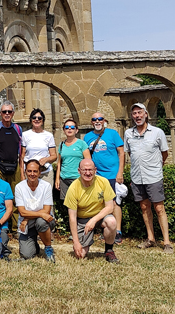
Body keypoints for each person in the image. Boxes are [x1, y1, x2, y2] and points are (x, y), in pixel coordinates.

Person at [124, 103, 173, 253]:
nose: (137, 116)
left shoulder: (157, 132)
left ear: (146, 114)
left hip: (153, 176)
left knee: (159, 208)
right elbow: (130, 153)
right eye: (134, 113)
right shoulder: (128, 134)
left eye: (140, 113)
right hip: (138, 177)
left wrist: (156, 165)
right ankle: (151, 238)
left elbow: (164, 153)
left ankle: (166, 242)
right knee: (144, 208)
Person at [64, 159, 120, 262]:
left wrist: (93, 220)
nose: (88, 173)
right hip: (83, 220)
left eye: (90, 170)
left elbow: (110, 207)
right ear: (79, 171)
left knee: (111, 222)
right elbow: (72, 217)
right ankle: (86, 242)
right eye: (84, 170)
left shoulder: (103, 182)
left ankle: (109, 250)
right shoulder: (73, 188)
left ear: (95, 170)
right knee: (80, 255)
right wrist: (76, 242)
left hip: (100, 216)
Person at [84, 111, 125, 242]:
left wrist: (120, 172)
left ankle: (117, 231)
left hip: (112, 174)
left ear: (104, 121)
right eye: (94, 119)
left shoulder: (112, 133)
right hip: (97, 175)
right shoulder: (87, 137)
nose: (97, 121)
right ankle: (107, 230)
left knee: (114, 203)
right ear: (91, 122)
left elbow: (122, 153)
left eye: (100, 119)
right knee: (101, 202)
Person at [14, 160, 56, 262]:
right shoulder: (19, 187)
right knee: (27, 255)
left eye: (35, 171)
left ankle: (48, 248)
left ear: (39, 173)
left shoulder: (46, 186)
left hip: (44, 221)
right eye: (29, 171)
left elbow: (47, 210)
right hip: (27, 224)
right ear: (25, 171)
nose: (32, 174)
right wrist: (37, 215)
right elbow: (22, 212)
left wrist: (27, 218)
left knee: (41, 222)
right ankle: (34, 244)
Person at [55, 118, 90, 202]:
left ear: (76, 130)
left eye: (72, 127)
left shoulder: (82, 144)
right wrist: (57, 179)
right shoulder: (61, 145)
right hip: (64, 179)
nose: (69, 129)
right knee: (67, 204)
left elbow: (88, 161)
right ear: (64, 130)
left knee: (80, 202)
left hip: (78, 178)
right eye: (67, 127)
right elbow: (59, 163)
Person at [21, 108, 57, 178]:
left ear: (43, 121)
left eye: (39, 118)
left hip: (45, 172)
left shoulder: (49, 135)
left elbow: (54, 156)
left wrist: (46, 159)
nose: (37, 119)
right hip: (30, 173)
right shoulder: (25, 135)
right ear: (31, 120)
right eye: (34, 117)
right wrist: (22, 174)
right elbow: (22, 156)